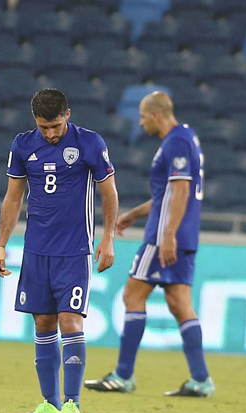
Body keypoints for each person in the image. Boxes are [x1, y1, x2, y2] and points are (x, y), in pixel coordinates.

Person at [0, 89, 119, 413]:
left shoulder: (89, 142)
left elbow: (109, 193)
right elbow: (13, 198)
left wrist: (108, 238)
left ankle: (72, 405)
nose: (50, 134)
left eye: (56, 126)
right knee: (43, 322)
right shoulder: (22, 145)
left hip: (74, 250)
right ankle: (49, 403)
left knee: (70, 320)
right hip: (36, 250)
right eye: (43, 127)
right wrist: (1, 244)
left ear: (67, 115)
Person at [84, 92, 214, 397]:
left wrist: (168, 235)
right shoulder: (188, 137)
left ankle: (123, 375)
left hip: (164, 236)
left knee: (132, 295)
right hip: (186, 235)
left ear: (156, 115)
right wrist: (133, 214)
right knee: (179, 302)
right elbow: (167, 195)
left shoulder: (175, 142)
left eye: (143, 117)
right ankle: (201, 380)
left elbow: (181, 191)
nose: (141, 123)